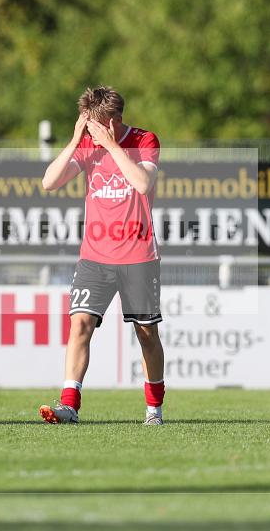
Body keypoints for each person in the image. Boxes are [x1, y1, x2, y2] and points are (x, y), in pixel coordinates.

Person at [38, 86, 165, 426]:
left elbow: (141, 183)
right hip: (95, 256)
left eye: (97, 125)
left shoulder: (144, 140)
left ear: (115, 121)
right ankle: (69, 406)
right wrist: (76, 138)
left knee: (146, 333)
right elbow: (49, 182)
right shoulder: (87, 145)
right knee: (80, 324)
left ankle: (154, 409)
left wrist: (111, 145)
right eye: (87, 124)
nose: (92, 131)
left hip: (139, 255)